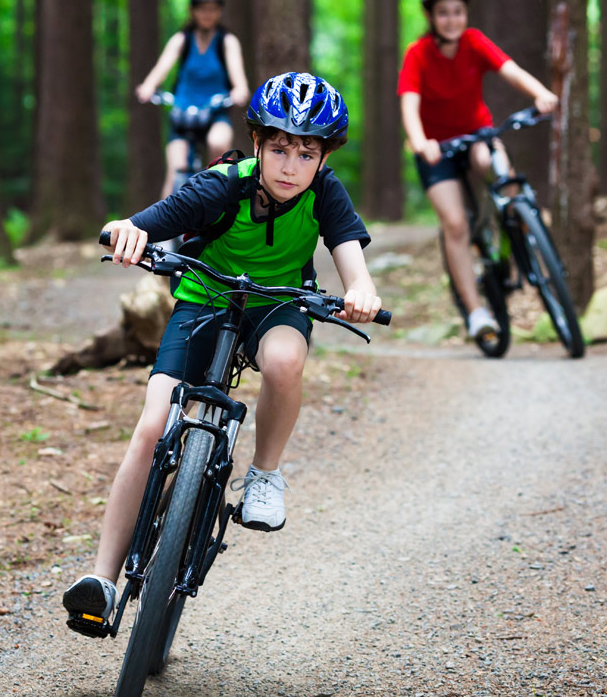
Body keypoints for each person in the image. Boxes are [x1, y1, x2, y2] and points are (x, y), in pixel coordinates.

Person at [64, 73, 381, 626]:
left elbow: (352, 260)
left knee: (284, 360)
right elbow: (157, 218)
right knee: (153, 422)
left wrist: (360, 291)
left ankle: (263, 474)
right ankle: (103, 579)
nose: (289, 166)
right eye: (278, 148)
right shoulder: (223, 183)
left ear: (325, 157)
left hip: (277, 303)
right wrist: (127, 230)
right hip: (204, 298)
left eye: (306, 153)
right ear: (256, 142)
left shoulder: (326, 193)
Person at [397, 0, 558, 340]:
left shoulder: (474, 42)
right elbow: (410, 104)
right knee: (455, 224)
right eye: (443, 13)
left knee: (493, 166)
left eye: (457, 11)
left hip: (476, 135)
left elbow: (510, 70)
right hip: (436, 150)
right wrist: (421, 142)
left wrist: (540, 93)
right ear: (431, 17)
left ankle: (517, 227)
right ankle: (475, 312)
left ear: (465, 13)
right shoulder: (418, 54)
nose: (451, 19)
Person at [136, 0, 252, 199]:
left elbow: (240, 82)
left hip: (215, 112)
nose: (207, 13)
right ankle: (165, 229)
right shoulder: (182, 40)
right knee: (175, 171)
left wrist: (239, 91)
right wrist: (148, 87)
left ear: (220, 11)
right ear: (193, 10)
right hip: (182, 115)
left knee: (219, 146)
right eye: (202, 8)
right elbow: (162, 67)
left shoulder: (227, 42)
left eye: (213, 8)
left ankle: (220, 204)